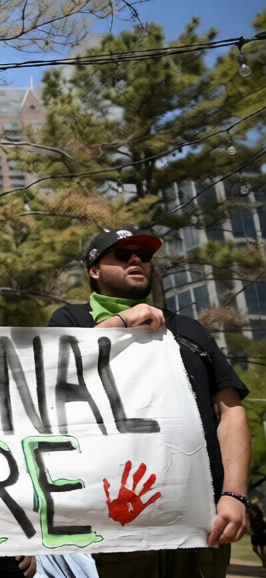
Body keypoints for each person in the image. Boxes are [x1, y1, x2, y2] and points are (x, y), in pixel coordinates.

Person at [48, 229, 250, 578]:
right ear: (94, 270)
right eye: (122, 255)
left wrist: (235, 495)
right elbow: (54, 373)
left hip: (199, 518)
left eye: (143, 255)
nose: (136, 260)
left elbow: (230, 412)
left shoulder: (189, 330)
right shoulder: (70, 321)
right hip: (116, 518)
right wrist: (125, 321)